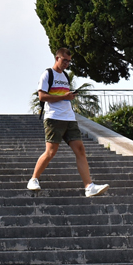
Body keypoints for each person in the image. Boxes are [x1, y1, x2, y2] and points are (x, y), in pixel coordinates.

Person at [27, 47, 109, 197]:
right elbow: (42, 97)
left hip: (69, 117)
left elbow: (63, 95)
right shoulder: (47, 74)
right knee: (51, 152)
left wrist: (68, 97)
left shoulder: (65, 76)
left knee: (80, 150)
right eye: (64, 60)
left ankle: (89, 186)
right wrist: (64, 97)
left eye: (69, 61)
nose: (67, 64)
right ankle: (34, 179)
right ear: (57, 58)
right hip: (53, 117)